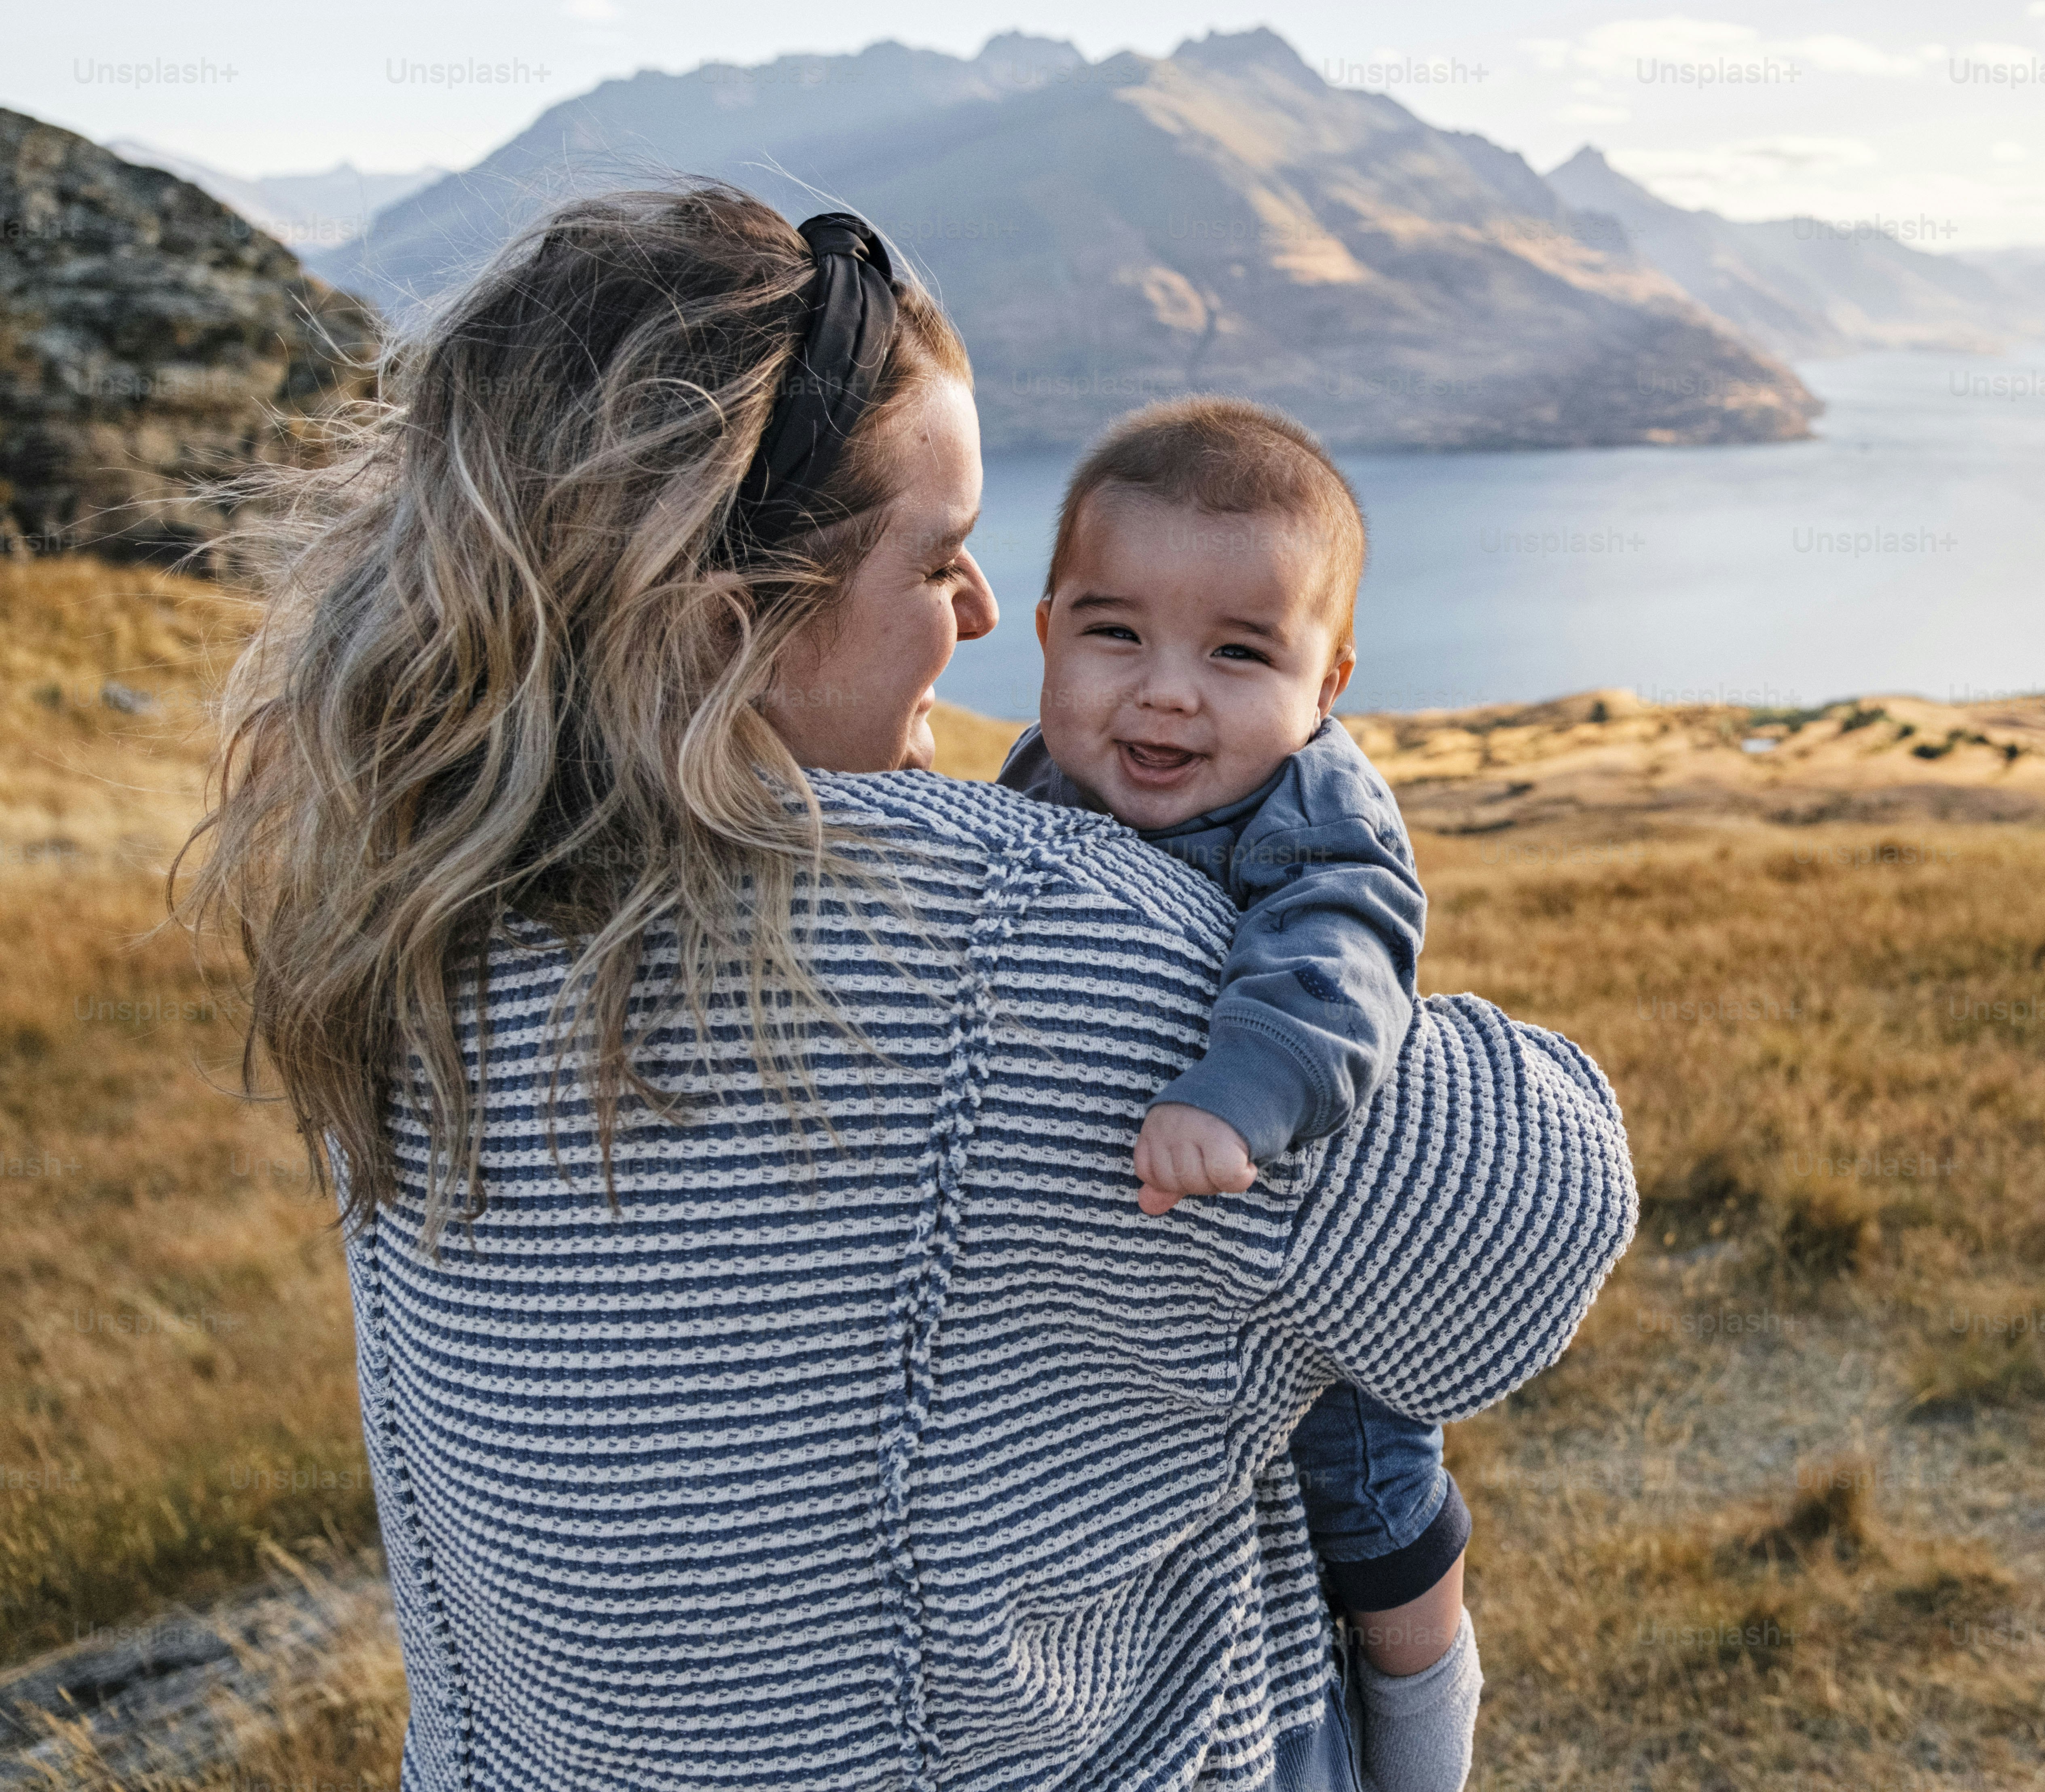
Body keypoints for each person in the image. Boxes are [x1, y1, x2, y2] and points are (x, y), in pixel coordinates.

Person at [182, 185, 1635, 1791]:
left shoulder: (397, 921)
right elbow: (1527, 1227)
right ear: (731, 626)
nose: (988, 613)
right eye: (936, 557)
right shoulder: (1014, 932)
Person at [989, 398, 1473, 1764]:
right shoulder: (1042, 783)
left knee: (1372, 1506)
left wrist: (1236, 1099)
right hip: (1159, 1292)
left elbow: (1340, 964)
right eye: (1115, 633)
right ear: (1046, 636)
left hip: (1315, 1278)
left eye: (1238, 653)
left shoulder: (1309, 806)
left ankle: (1425, 1730)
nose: (1165, 689)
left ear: (1327, 691)